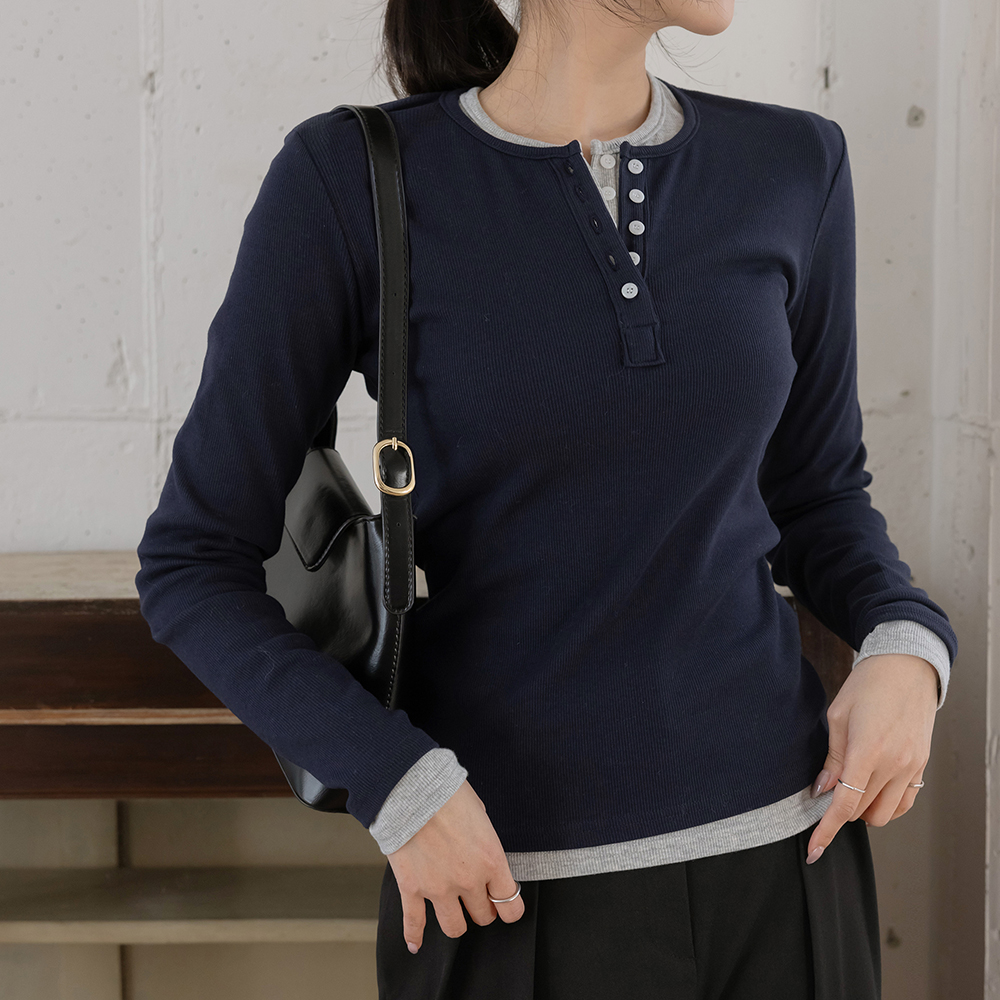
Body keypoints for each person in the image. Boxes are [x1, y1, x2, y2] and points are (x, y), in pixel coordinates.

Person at [135, 0, 958, 996]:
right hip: (503, 893)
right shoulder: (349, 180)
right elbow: (193, 564)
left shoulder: (794, 165)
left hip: (790, 866)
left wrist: (904, 643)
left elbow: (819, 496)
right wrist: (395, 782)